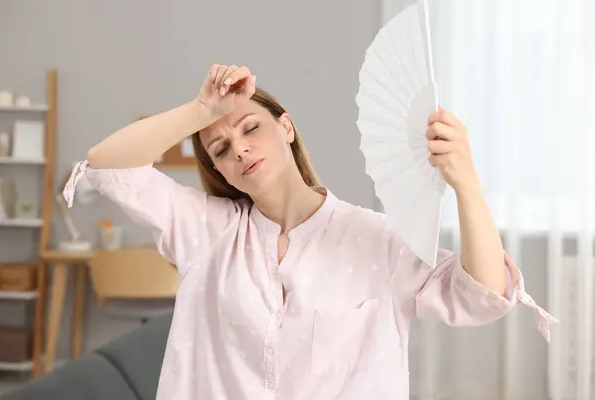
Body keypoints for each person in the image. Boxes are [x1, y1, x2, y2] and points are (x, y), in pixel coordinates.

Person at [63, 64, 557, 400]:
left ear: (287, 128)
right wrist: (201, 111)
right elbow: (107, 165)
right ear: (220, 170)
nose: (237, 148)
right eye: (219, 147)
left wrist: (465, 182)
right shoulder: (205, 232)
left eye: (250, 128)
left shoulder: (375, 238)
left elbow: (481, 295)